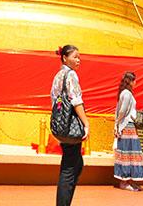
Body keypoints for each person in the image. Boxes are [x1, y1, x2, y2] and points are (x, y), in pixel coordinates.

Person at [51, 45, 90, 206]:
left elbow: (54, 100)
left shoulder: (58, 75)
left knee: (75, 164)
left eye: (79, 57)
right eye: (75, 57)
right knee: (69, 169)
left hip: (61, 125)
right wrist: (86, 122)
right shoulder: (71, 74)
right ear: (65, 58)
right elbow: (76, 100)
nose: (78, 60)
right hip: (71, 125)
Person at [113, 71, 143, 191]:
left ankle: (128, 179)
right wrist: (117, 123)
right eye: (134, 80)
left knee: (130, 153)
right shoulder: (126, 94)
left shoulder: (126, 93)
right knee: (127, 153)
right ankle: (123, 181)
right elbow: (122, 111)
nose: (136, 83)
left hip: (128, 126)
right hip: (127, 126)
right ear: (130, 81)